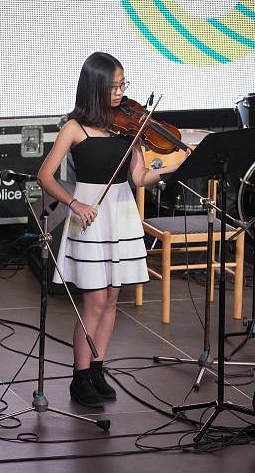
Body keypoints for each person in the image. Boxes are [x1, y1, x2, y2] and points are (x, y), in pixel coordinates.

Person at [37, 52, 189, 408]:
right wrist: (74, 203)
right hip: (89, 216)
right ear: (94, 88)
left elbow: (137, 178)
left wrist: (171, 167)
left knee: (112, 300)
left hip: (121, 215)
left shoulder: (128, 127)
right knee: (93, 303)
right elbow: (45, 175)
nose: (120, 92)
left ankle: (97, 370)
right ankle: (79, 378)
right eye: (114, 86)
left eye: (123, 84)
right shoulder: (74, 128)